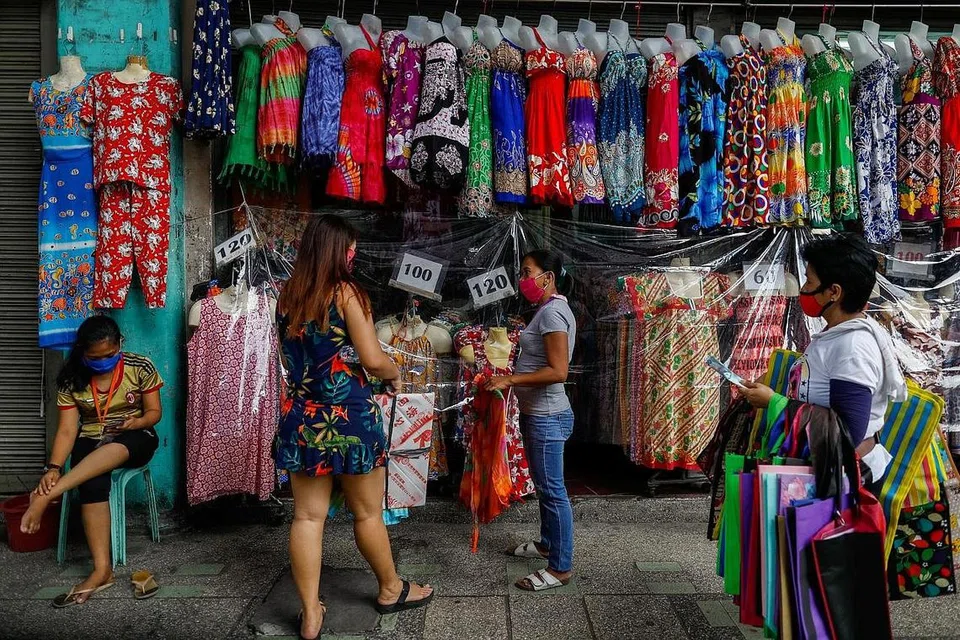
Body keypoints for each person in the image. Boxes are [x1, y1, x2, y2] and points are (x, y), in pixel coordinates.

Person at [273, 214, 433, 640]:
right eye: (350, 248)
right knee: (367, 512)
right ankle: (390, 588)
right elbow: (371, 356)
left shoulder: (287, 295)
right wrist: (393, 370)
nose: (354, 254)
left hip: (304, 418)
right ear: (338, 251)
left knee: (307, 517)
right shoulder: (346, 293)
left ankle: (310, 613)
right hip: (351, 418)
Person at [741, 233, 907, 494]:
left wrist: (774, 402)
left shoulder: (852, 347)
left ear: (834, 292)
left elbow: (847, 432)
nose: (804, 288)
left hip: (846, 483)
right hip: (828, 472)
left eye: (809, 280)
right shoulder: (837, 334)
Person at [20, 316, 163, 607]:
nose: (103, 362)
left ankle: (49, 496)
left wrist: (136, 422)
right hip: (91, 437)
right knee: (91, 482)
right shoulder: (72, 377)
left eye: (109, 356)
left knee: (114, 451)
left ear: (120, 345)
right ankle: (101, 570)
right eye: (94, 358)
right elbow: (68, 430)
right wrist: (54, 468)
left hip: (136, 435)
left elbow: (154, 413)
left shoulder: (140, 366)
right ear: (83, 352)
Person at [485, 249, 577, 592]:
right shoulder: (550, 310)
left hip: (547, 416)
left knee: (553, 491)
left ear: (548, 277)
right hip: (539, 413)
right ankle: (545, 544)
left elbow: (558, 371)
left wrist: (511, 380)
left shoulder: (553, 313)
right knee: (544, 486)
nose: (523, 280)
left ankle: (560, 567)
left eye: (528, 272)